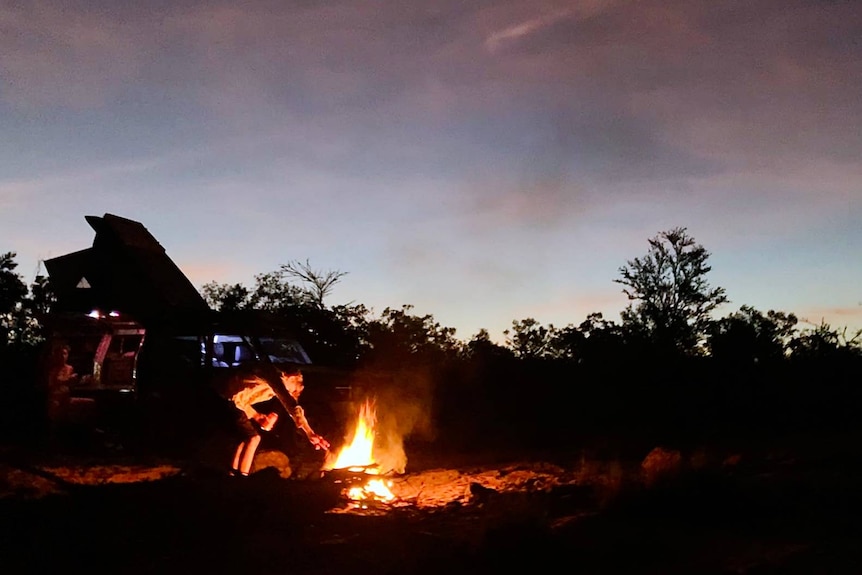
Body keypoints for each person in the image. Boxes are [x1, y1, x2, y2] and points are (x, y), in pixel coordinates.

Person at [215, 363, 330, 477]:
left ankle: (233, 475)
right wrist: (310, 432)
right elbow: (291, 406)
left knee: (246, 439)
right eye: (297, 385)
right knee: (253, 438)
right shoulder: (273, 376)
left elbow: (241, 402)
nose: (295, 393)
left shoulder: (272, 387)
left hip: (232, 400)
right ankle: (242, 477)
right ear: (290, 377)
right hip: (222, 396)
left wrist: (258, 417)